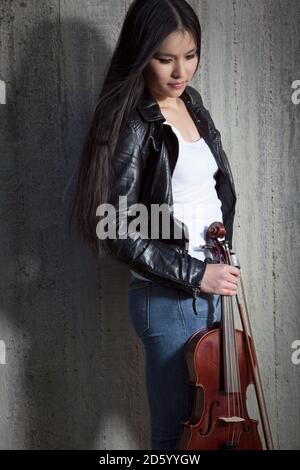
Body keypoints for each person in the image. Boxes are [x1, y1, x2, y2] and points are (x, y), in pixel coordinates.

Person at [72, 0, 240, 450]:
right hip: (168, 296)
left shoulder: (192, 103)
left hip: (211, 288)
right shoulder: (132, 121)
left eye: (189, 55)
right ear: (141, 53)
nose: (179, 71)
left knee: (215, 427)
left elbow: (210, 190)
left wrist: (218, 262)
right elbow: (117, 226)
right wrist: (197, 272)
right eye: (164, 58)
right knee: (175, 433)